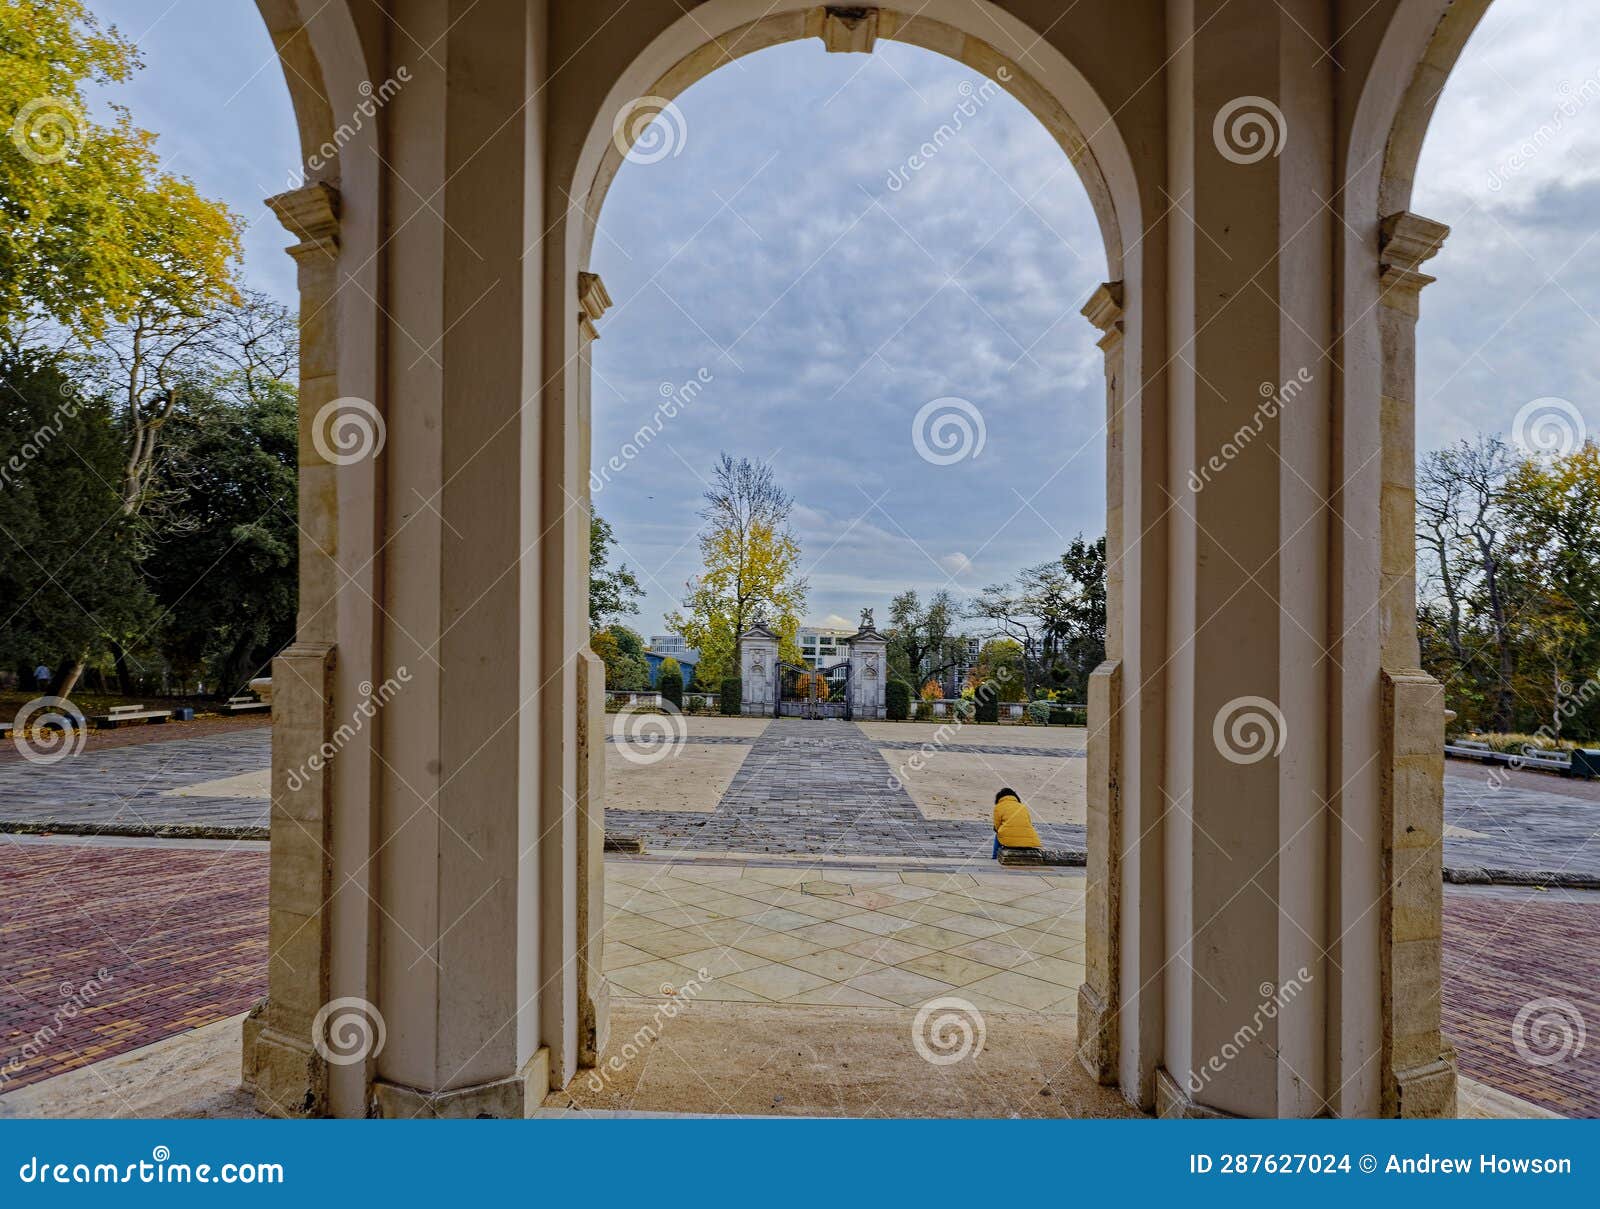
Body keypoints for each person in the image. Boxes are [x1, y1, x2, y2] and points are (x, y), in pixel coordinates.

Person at [992, 786, 1042, 858]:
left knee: (998, 834)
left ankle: (994, 857)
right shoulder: (1022, 806)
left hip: (1008, 841)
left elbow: (997, 827)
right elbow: (1029, 823)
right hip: (1030, 841)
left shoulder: (998, 807)